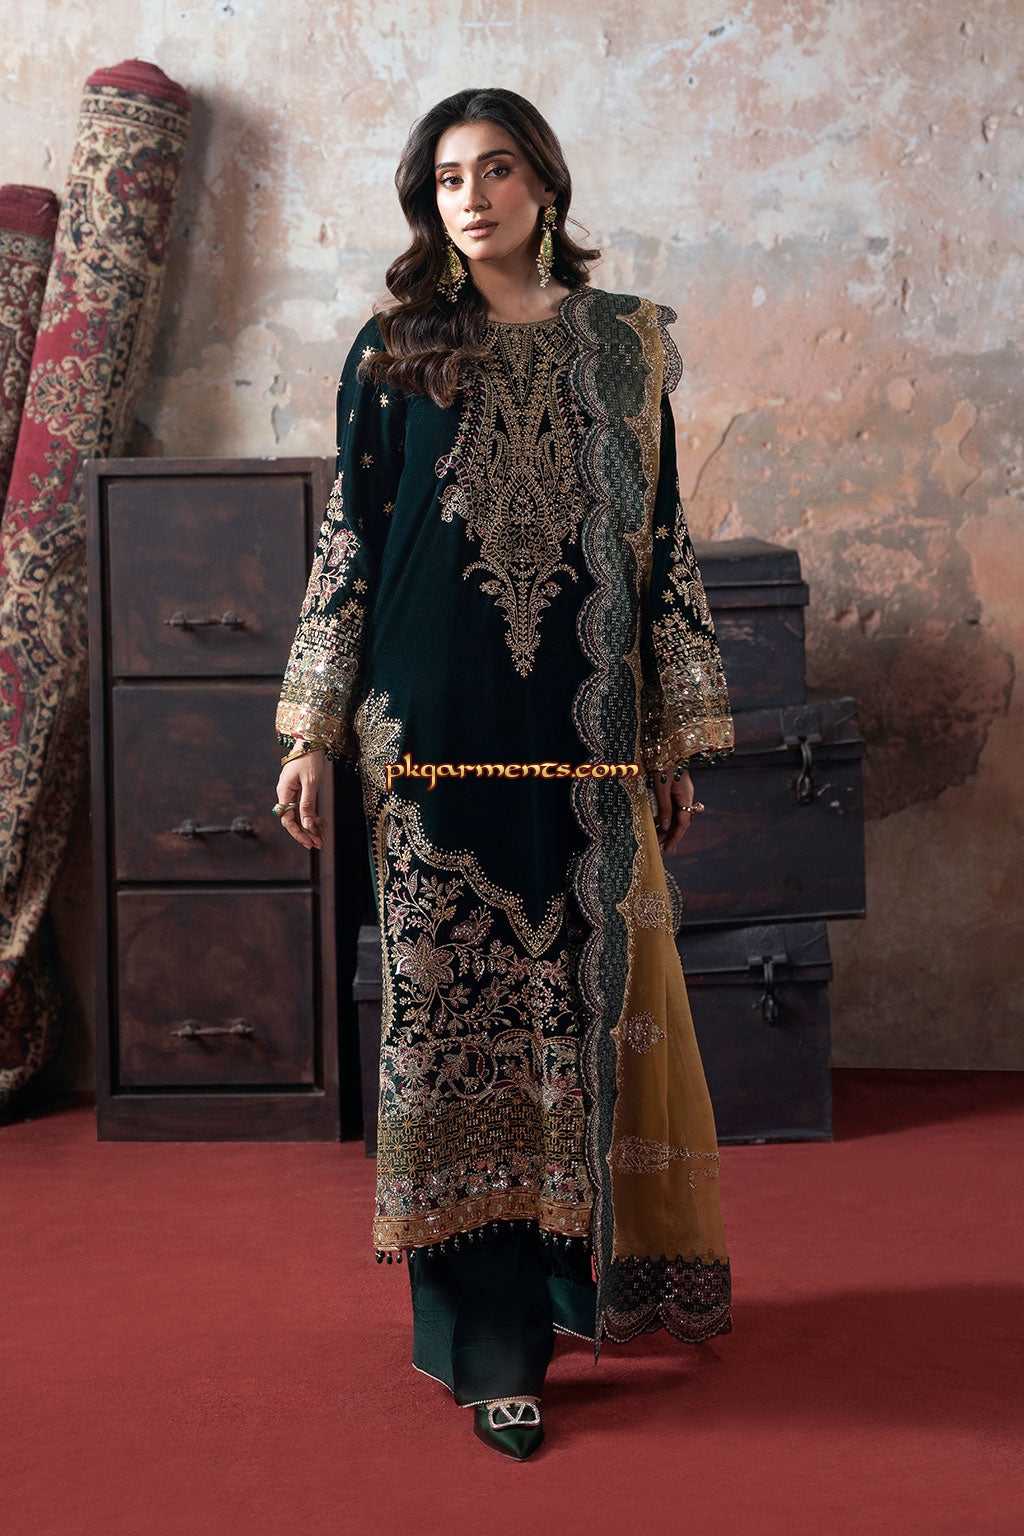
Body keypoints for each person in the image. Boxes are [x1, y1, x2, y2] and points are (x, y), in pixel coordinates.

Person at [273, 87, 735, 1460]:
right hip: (428, 744)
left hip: (584, 746)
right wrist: (310, 729)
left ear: (546, 184)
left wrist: (670, 734)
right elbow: (352, 543)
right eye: (447, 179)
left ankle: (567, 1292)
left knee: (574, 1029)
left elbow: (660, 538)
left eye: (496, 171)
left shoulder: (626, 345)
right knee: (457, 1037)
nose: (470, 199)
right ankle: (489, 1342)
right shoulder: (395, 349)